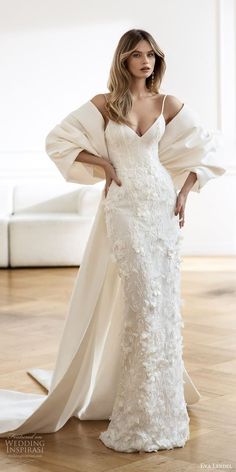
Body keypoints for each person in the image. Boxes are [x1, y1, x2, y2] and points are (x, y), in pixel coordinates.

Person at [0, 29, 226, 453]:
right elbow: (58, 140)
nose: (146, 62)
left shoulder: (167, 104)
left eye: (151, 55)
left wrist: (183, 193)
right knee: (141, 304)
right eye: (137, 55)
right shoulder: (105, 104)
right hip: (122, 208)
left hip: (160, 207)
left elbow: (210, 149)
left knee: (161, 309)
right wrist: (102, 162)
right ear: (123, 60)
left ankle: (162, 408)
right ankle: (136, 412)